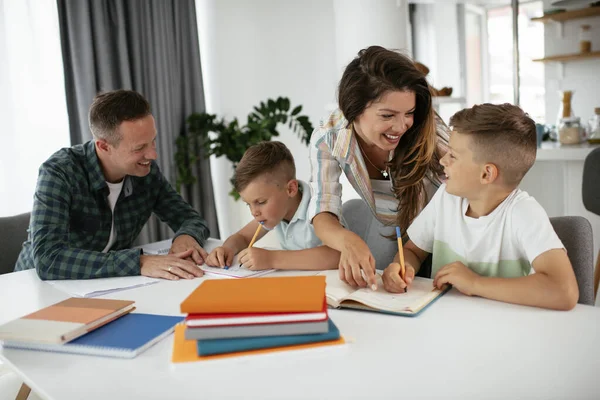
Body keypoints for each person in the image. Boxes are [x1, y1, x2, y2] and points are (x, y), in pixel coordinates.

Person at [382, 103, 579, 310]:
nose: (442, 160)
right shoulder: (446, 199)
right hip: (444, 323)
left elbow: (564, 292)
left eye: (453, 156)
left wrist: (475, 283)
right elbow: (413, 251)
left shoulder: (523, 213)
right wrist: (402, 267)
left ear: (486, 174)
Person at [15, 89, 211, 281]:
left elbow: (191, 219)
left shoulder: (145, 172)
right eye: (139, 148)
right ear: (104, 146)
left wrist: (186, 236)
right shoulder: (59, 172)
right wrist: (139, 262)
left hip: (105, 286)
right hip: (35, 288)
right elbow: (49, 259)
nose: (153, 155)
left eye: (152, 141)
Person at [308, 45, 448, 290]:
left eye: (410, 113)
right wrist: (347, 240)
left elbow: (472, 194)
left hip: (444, 242)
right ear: (354, 108)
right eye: (387, 116)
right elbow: (323, 210)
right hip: (404, 250)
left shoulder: (430, 129)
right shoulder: (328, 138)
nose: (402, 126)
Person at [206, 141, 339, 271]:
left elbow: (337, 254)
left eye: (261, 202)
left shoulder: (319, 208)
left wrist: (271, 259)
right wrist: (227, 249)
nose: (254, 212)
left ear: (291, 189)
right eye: (249, 204)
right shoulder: (276, 212)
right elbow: (243, 237)